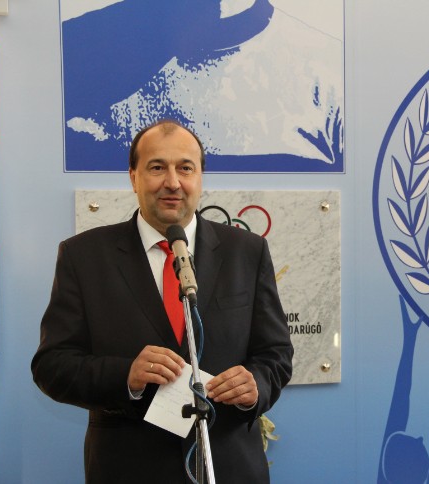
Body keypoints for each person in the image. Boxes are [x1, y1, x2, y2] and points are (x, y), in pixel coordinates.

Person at [31, 120, 294, 483]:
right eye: (157, 167)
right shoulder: (83, 256)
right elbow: (52, 366)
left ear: (200, 177)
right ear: (133, 177)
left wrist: (256, 386)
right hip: (128, 470)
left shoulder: (247, 252)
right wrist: (126, 376)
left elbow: (276, 355)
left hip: (229, 468)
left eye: (185, 168)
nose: (172, 182)